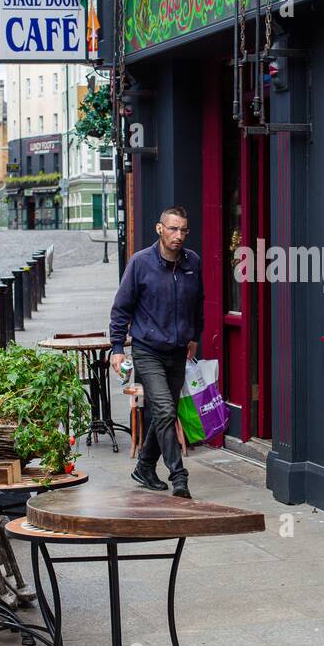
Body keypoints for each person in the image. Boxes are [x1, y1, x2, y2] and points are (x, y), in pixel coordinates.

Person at [109, 207, 203, 499]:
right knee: (163, 410)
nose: (179, 236)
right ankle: (179, 476)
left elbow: (198, 303)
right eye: (173, 229)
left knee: (165, 413)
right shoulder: (140, 263)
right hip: (147, 350)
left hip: (177, 350)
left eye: (183, 230)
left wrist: (193, 337)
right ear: (159, 229)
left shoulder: (192, 262)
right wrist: (116, 348)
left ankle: (145, 465)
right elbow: (121, 307)